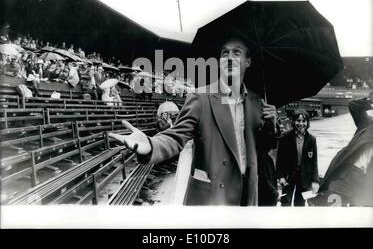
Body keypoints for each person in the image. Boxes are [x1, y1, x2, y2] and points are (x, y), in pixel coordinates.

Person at [109, 36, 279, 206]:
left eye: (237, 52)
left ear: (247, 62)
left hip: (247, 195)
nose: (229, 57)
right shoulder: (201, 96)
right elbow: (176, 136)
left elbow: (262, 148)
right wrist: (150, 145)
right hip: (214, 197)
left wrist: (272, 124)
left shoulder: (256, 102)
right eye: (224, 53)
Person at [309, 94, 373, 206]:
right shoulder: (367, 122)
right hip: (348, 171)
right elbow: (353, 105)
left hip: (365, 179)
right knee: (334, 205)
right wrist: (370, 101)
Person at [276, 109, 319, 206]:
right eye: (298, 121)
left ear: (307, 122)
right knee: (285, 202)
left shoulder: (311, 139)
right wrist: (280, 176)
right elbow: (279, 159)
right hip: (288, 176)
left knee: (300, 203)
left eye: (304, 121)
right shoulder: (285, 137)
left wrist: (315, 180)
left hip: (304, 177)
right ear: (293, 121)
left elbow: (314, 162)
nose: (301, 124)